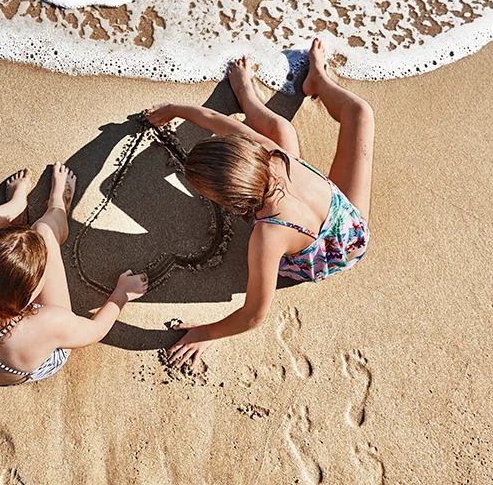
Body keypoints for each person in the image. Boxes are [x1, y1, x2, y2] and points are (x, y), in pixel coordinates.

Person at [145, 38, 373, 368]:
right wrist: (176, 109)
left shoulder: (268, 237)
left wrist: (205, 333)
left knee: (293, 126)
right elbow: (215, 120)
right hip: (347, 224)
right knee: (333, 118)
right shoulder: (272, 154)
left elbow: (254, 315)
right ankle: (283, 89)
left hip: (332, 253)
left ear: (232, 203)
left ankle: (311, 81)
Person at [0, 162, 148, 386]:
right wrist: (121, 294)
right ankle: (56, 207)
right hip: (32, 354)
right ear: (32, 297)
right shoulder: (50, 323)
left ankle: (15, 208)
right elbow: (96, 331)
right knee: (43, 233)